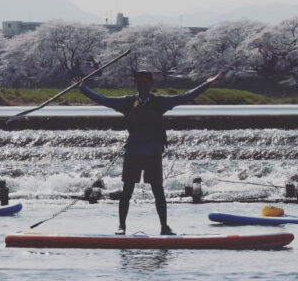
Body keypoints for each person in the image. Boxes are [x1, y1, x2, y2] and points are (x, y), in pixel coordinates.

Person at [74, 71, 220, 235]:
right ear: (135, 84)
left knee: (158, 190)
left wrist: (207, 84)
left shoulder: (160, 102)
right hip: (133, 151)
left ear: (151, 84)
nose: (142, 85)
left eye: (145, 82)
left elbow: (185, 96)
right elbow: (103, 100)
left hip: (153, 151)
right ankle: (122, 226)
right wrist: (83, 89)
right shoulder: (127, 102)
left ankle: (164, 227)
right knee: (127, 190)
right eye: (139, 82)